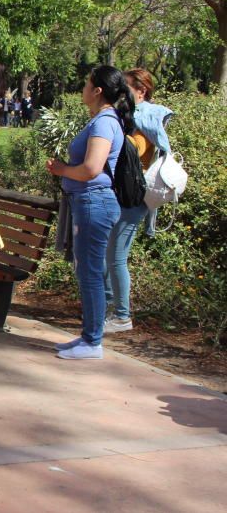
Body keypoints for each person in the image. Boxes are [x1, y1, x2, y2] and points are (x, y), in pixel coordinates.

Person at [47, 65, 134, 360]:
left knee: (91, 274)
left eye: (86, 83)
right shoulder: (101, 120)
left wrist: (62, 169)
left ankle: (93, 341)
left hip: (93, 203)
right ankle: (88, 336)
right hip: (87, 202)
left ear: (97, 90)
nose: (82, 87)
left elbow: (92, 168)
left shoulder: (104, 123)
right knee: (88, 272)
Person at [104, 68, 172, 334]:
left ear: (141, 91)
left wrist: (108, 134)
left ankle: (121, 315)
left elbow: (137, 149)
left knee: (116, 256)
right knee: (108, 256)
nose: (121, 92)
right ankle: (110, 308)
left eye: (127, 87)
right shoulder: (130, 116)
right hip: (122, 194)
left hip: (134, 197)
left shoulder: (144, 120)